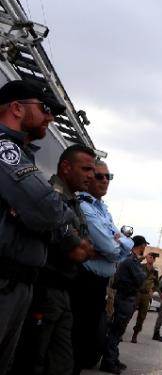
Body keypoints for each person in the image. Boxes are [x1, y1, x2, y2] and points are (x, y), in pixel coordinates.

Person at [0, 79, 77, 374]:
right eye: (45, 108)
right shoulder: (4, 149)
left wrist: (39, 212)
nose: (50, 117)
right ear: (17, 108)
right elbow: (48, 210)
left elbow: (55, 223)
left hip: (17, 284)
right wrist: (47, 212)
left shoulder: (22, 153)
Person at [10, 144, 96, 375]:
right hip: (45, 289)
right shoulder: (52, 197)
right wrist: (78, 245)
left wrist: (80, 245)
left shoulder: (74, 203)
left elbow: (88, 247)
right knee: (32, 357)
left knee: (62, 362)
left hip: (62, 291)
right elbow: (76, 250)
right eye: (86, 169)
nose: (91, 175)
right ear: (66, 167)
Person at [73, 159, 133, 372]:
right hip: (84, 282)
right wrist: (116, 246)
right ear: (88, 178)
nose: (105, 180)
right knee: (78, 341)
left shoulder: (103, 210)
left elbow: (127, 245)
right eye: (100, 176)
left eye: (109, 177)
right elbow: (112, 248)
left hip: (99, 285)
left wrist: (116, 245)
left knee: (89, 339)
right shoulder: (85, 207)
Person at [100, 235, 148, 374]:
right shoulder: (131, 261)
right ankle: (108, 362)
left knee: (118, 331)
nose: (145, 247)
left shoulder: (132, 260)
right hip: (125, 298)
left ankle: (113, 358)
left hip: (127, 298)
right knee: (116, 331)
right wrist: (142, 274)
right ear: (141, 245)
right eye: (144, 245)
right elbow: (141, 279)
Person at [131, 251, 159, 343]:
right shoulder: (140, 266)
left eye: (152, 258)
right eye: (149, 257)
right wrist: (144, 257)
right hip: (137, 293)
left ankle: (135, 335)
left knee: (142, 316)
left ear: (154, 260)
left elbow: (157, 284)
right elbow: (134, 262)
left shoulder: (155, 271)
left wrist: (152, 290)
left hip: (146, 295)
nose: (151, 259)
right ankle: (120, 332)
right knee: (129, 312)